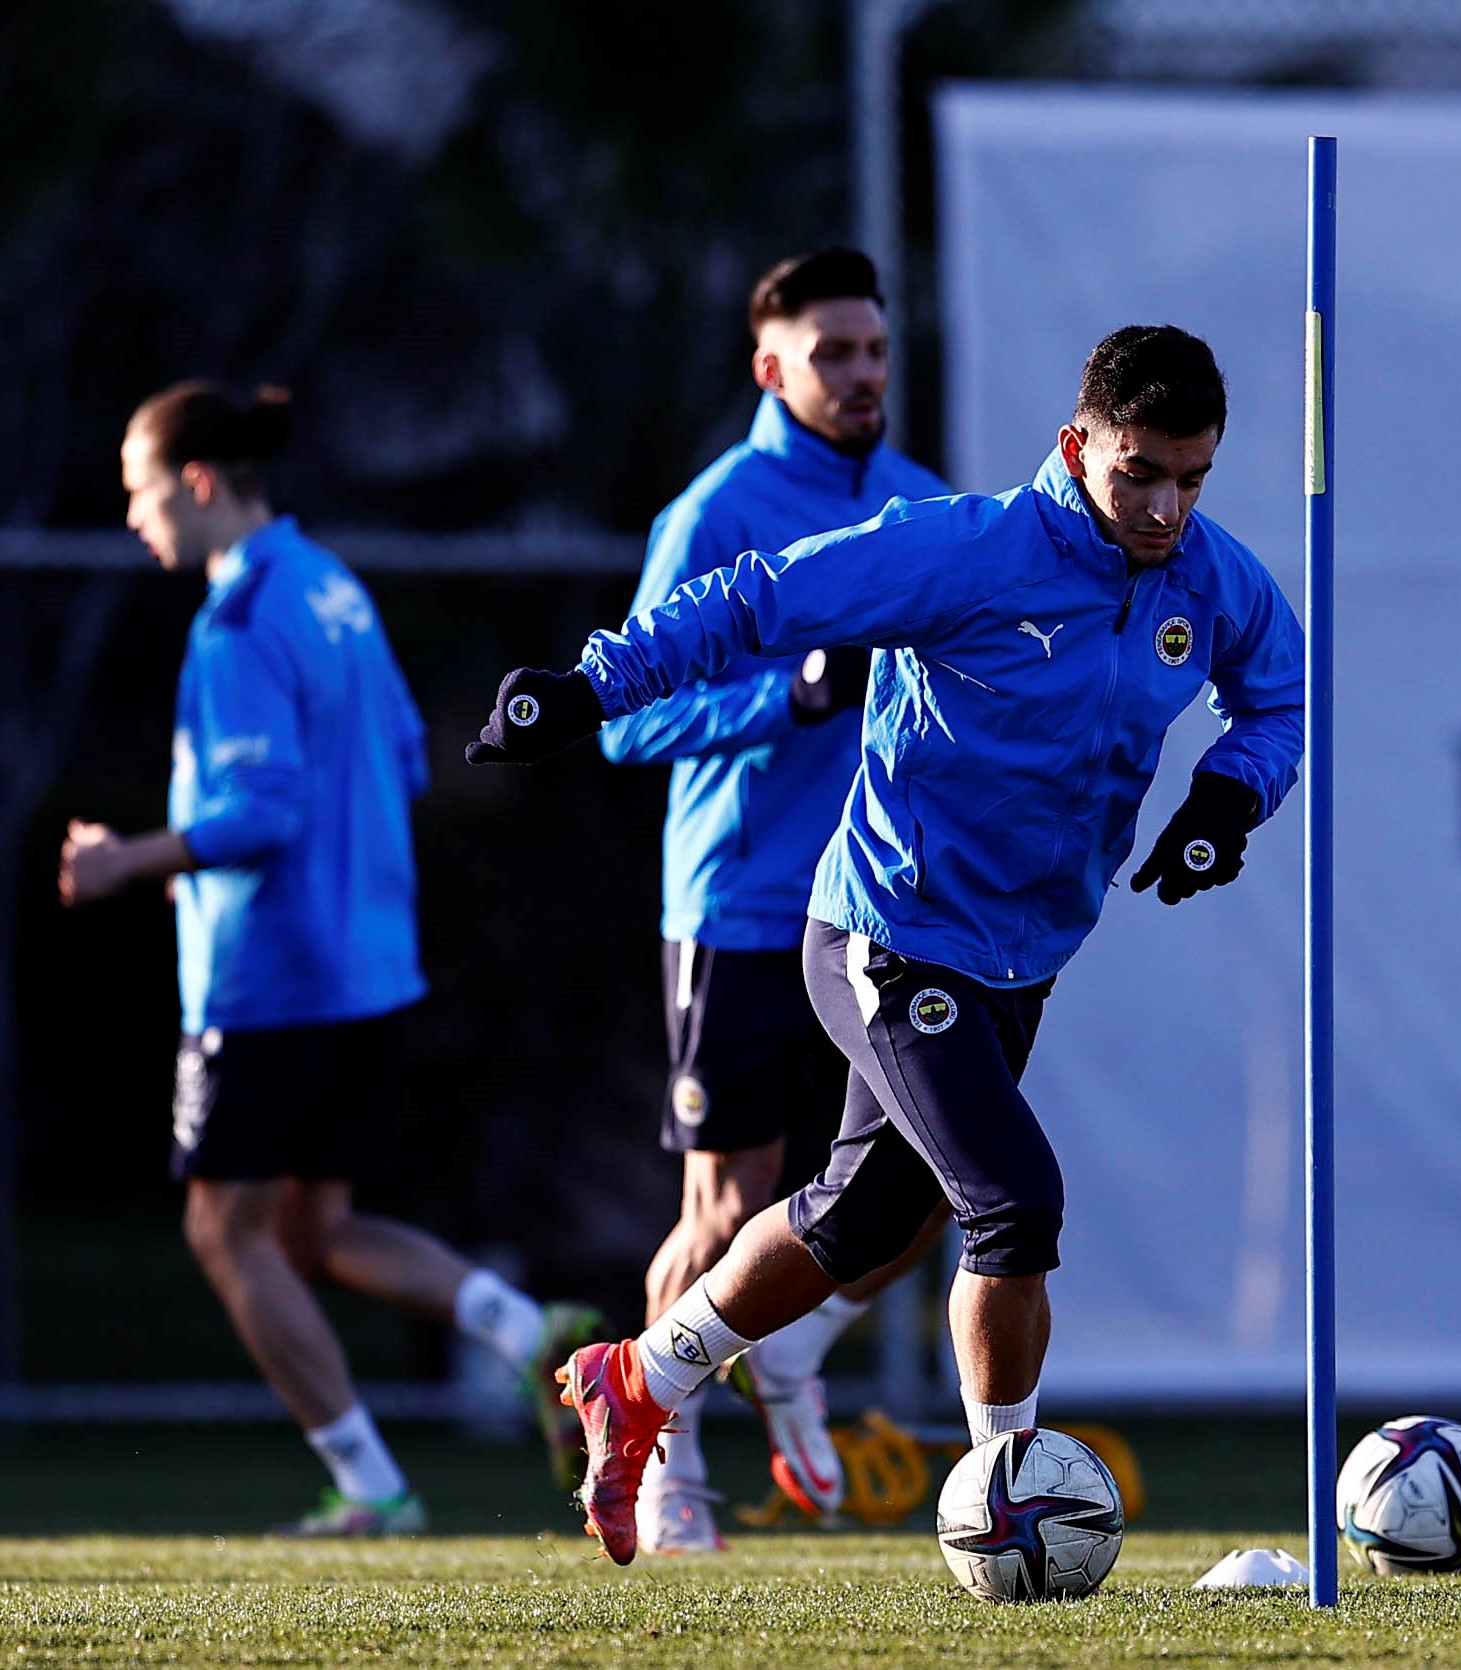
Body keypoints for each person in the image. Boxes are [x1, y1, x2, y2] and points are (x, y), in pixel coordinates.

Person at [466, 324, 1304, 1566]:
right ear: (1078, 449)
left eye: (1192, 478)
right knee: (1015, 1204)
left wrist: (1230, 798)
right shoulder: (967, 549)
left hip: (1022, 956)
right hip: (889, 931)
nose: (1165, 508)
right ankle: (1008, 1505)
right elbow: (759, 597)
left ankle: (635, 1378)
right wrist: (592, 686)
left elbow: (1277, 688)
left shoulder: (1208, 577)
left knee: (856, 1222)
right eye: (1140, 473)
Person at [62, 382, 597, 1536]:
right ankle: (523, 1328)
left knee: (225, 1231)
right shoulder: (334, 587)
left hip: (270, 977)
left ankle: (371, 1487)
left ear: (199, 483)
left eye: (140, 491)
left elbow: (262, 810)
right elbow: (404, 757)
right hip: (368, 965)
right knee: (313, 1228)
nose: (133, 517)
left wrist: (124, 860)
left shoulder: (242, 614)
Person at [597, 249, 955, 1553]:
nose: (861, 375)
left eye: (874, 351)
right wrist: (784, 696)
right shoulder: (715, 512)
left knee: (928, 1178)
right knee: (723, 1197)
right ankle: (661, 1453)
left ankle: (795, 1347)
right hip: (742, 906)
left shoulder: (923, 507)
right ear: (772, 368)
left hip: (883, 908)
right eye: (832, 355)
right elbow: (624, 727)